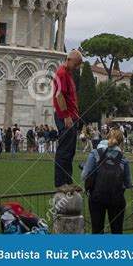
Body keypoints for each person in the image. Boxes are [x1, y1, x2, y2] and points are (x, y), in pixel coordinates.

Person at [82, 128, 132, 234]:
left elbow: (84, 176)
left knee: (97, 230)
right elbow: (128, 184)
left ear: (107, 137)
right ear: (120, 141)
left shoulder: (95, 153)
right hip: (116, 198)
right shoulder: (124, 159)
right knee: (117, 231)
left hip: (97, 196)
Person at [53, 49, 83, 188]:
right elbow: (59, 95)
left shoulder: (68, 73)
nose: (77, 68)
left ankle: (68, 180)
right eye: (76, 64)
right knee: (64, 150)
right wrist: (65, 115)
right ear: (69, 59)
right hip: (65, 117)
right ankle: (61, 182)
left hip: (71, 115)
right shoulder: (62, 73)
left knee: (70, 151)